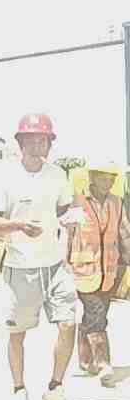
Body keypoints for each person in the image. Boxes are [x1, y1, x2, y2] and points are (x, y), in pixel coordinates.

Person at [0, 113, 77, 400]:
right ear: (20, 142)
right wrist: (19, 226)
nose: (39, 145)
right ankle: (19, 389)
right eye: (33, 139)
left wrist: (71, 220)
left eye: (44, 140)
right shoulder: (5, 176)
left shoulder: (58, 175)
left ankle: (55, 388)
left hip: (55, 265)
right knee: (18, 333)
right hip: (21, 266)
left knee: (68, 324)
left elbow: (64, 211)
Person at [67, 161, 130, 386]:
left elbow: (125, 234)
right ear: (92, 177)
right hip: (83, 271)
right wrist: (62, 267)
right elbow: (67, 235)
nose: (108, 182)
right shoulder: (77, 202)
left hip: (109, 274)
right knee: (96, 314)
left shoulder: (116, 203)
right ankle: (103, 363)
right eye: (104, 177)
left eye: (112, 178)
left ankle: (86, 360)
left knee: (94, 315)